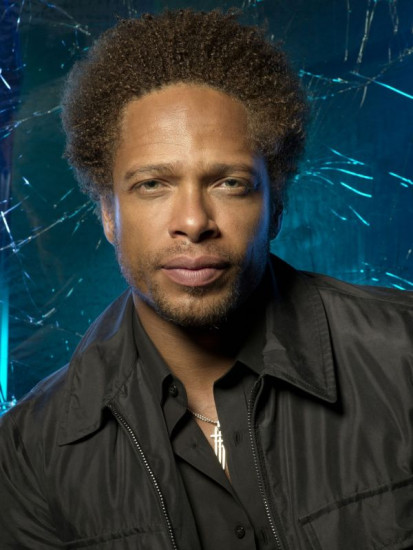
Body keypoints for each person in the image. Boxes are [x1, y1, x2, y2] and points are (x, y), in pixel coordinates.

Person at [1, 9, 412, 550]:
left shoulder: (403, 355)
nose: (193, 221)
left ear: (276, 204)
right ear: (107, 214)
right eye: (153, 184)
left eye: (229, 182)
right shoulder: (28, 454)